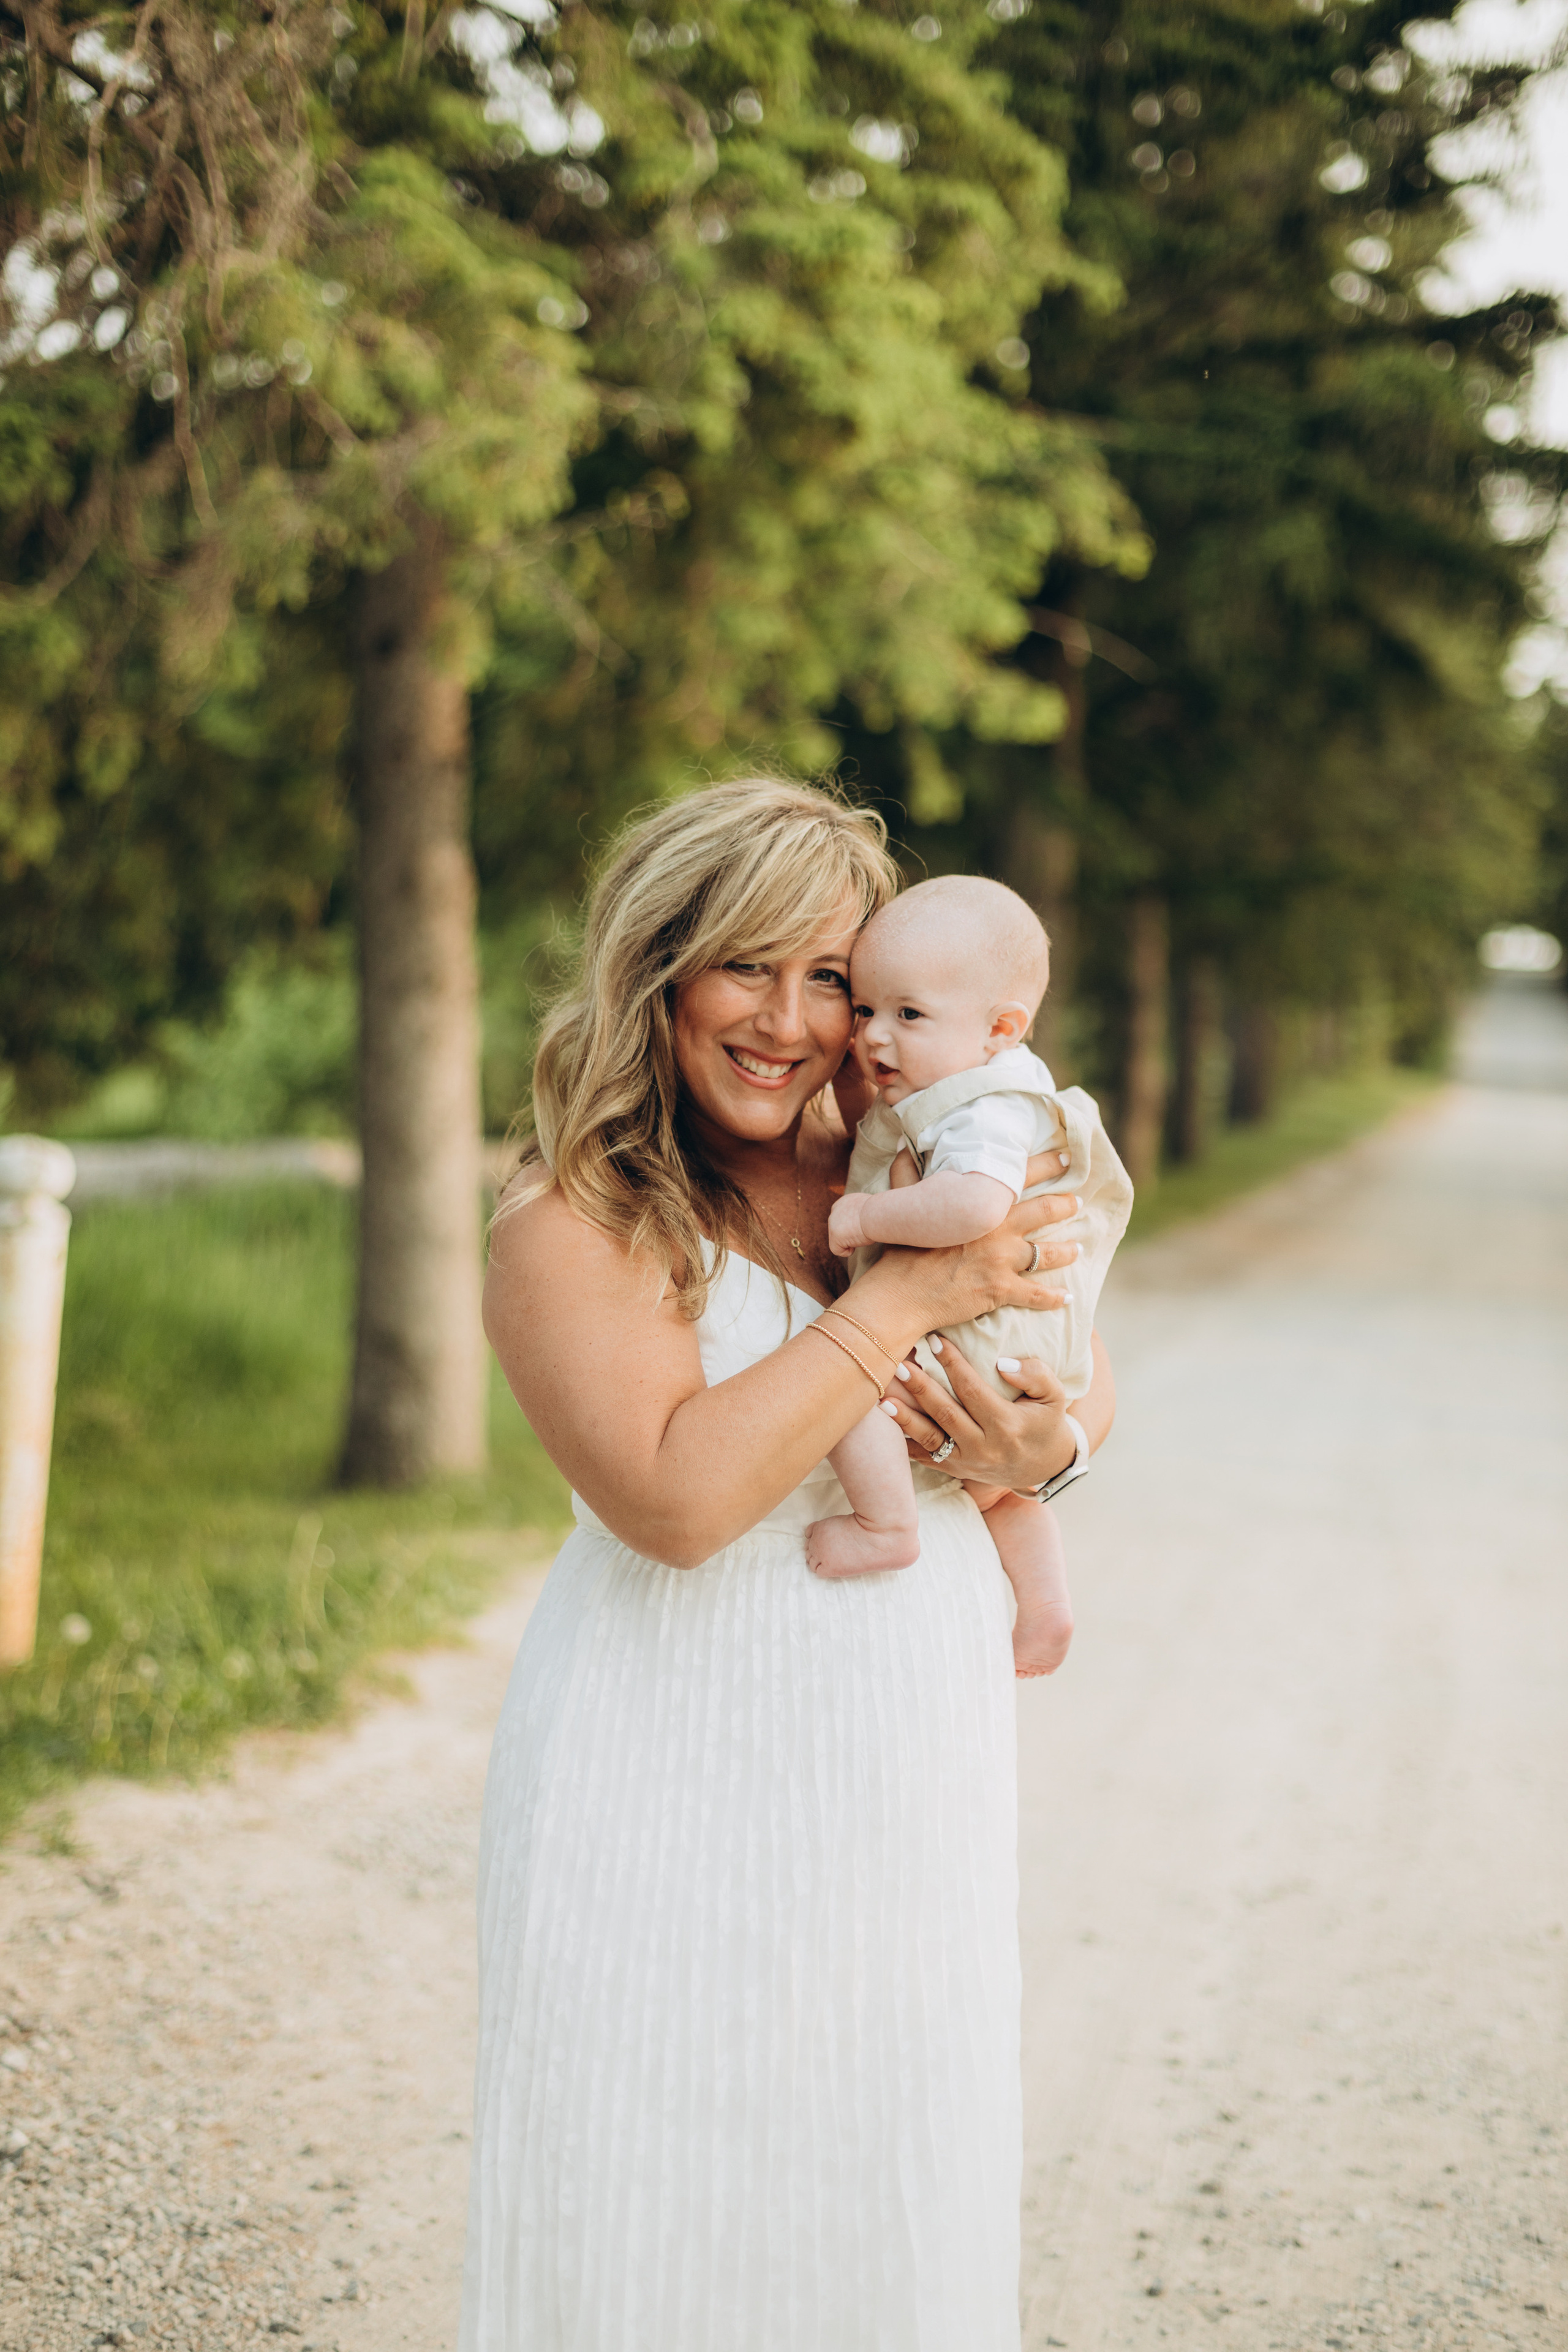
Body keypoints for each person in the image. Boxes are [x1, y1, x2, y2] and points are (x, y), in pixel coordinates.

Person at [459, 778, 1117, 2352]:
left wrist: (1054, 1450)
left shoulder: (910, 1147)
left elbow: (1076, 1360)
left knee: (885, 2161)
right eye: (743, 966)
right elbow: (675, 1504)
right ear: (656, 973)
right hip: (659, 1746)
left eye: (829, 977)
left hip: (903, 1749)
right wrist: (889, 1309)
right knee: (641, 2183)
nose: (787, 1020)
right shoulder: (571, 1220)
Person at [808, 875, 1133, 1680]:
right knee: (1003, 1492)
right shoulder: (983, 1088)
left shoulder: (980, 1109)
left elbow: (976, 1206)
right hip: (1023, 1347)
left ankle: (887, 1526)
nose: (875, 1039)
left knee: (844, 1391)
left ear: (1001, 1028)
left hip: (976, 1337)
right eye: (865, 1011)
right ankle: (1048, 1608)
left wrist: (864, 1219)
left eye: (908, 1015)